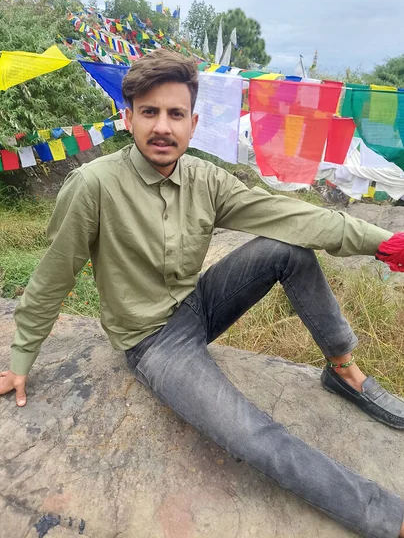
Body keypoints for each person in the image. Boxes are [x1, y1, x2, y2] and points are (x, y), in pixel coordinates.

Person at [1, 50, 404, 538]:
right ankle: (388, 518)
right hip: (152, 342)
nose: (162, 127)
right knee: (250, 434)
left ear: (193, 124)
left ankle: (344, 371)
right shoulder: (94, 185)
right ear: (127, 118)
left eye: (174, 114)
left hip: (200, 305)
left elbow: (291, 216)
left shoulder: (205, 178)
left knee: (289, 248)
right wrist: (21, 359)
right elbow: (53, 276)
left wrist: (382, 242)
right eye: (148, 112)